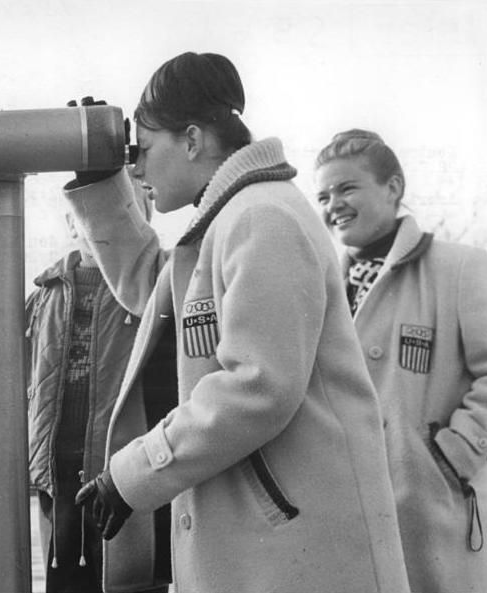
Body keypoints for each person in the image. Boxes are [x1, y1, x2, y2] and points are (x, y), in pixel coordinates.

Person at [68, 52, 411, 593]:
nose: (137, 168)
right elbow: (152, 290)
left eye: (145, 148)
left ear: (192, 140)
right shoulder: (230, 219)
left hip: (298, 551)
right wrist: (101, 184)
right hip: (276, 543)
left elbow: (259, 386)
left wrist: (133, 473)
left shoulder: (262, 218)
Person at [313, 128, 487, 593]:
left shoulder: (461, 268)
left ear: (394, 187)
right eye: (324, 195)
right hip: (344, 514)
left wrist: (453, 456)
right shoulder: (323, 287)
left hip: (430, 514)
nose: (333, 205)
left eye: (347, 187)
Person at [25, 192, 163, 593]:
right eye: (91, 218)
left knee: (131, 574)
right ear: (71, 225)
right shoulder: (45, 293)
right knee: (65, 573)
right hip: (59, 463)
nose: (105, 230)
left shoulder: (148, 291)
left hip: (123, 461)